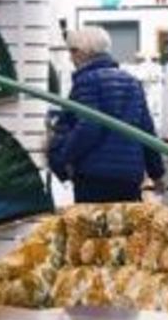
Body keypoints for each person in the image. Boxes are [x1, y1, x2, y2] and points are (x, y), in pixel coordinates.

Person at [48, 24, 160, 207]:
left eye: (73, 52)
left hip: (94, 176)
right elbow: (146, 130)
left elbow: (88, 127)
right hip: (129, 177)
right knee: (123, 231)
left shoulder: (86, 81)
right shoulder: (132, 82)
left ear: (83, 52)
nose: (71, 58)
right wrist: (156, 173)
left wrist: (61, 159)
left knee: (93, 231)